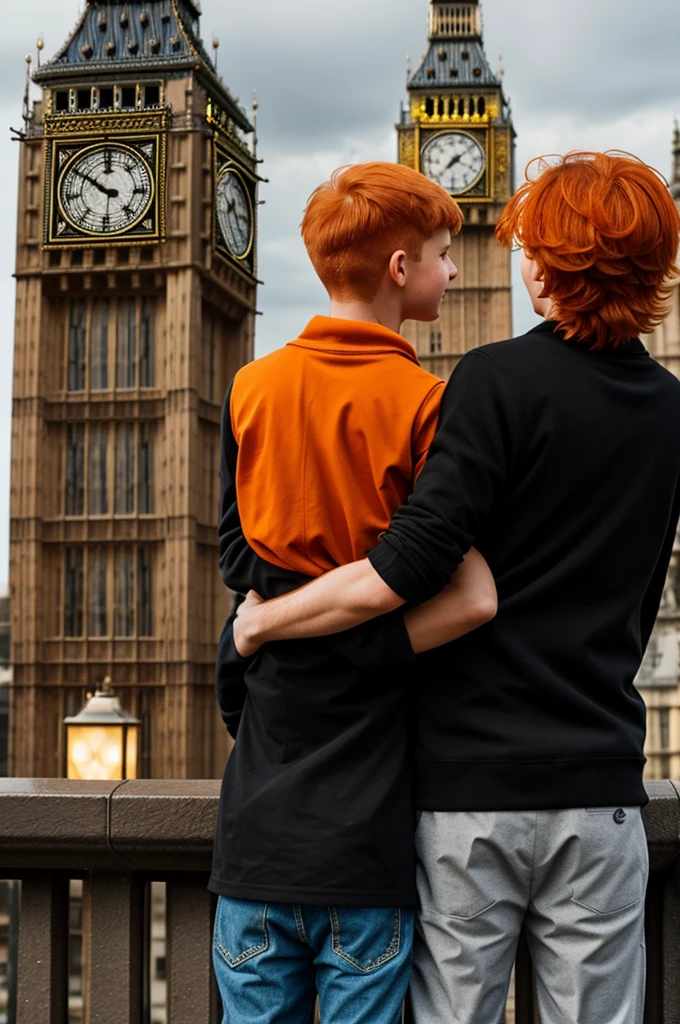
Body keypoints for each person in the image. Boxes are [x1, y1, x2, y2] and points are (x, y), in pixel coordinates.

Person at [233, 151, 680, 1024]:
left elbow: (409, 562)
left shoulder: (493, 379)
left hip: (471, 790)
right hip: (599, 785)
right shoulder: (670, 408)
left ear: (548, 266)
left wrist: (264, 624)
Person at [209, 161, 498, 1024]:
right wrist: (369, 615)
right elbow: (444, 575)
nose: (454, 272)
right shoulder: (426, 400)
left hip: (255, 843)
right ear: (402, 268)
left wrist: (262, 629)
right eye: (446, 255)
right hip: (368, 846)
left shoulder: (251, 386)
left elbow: (237, 556)